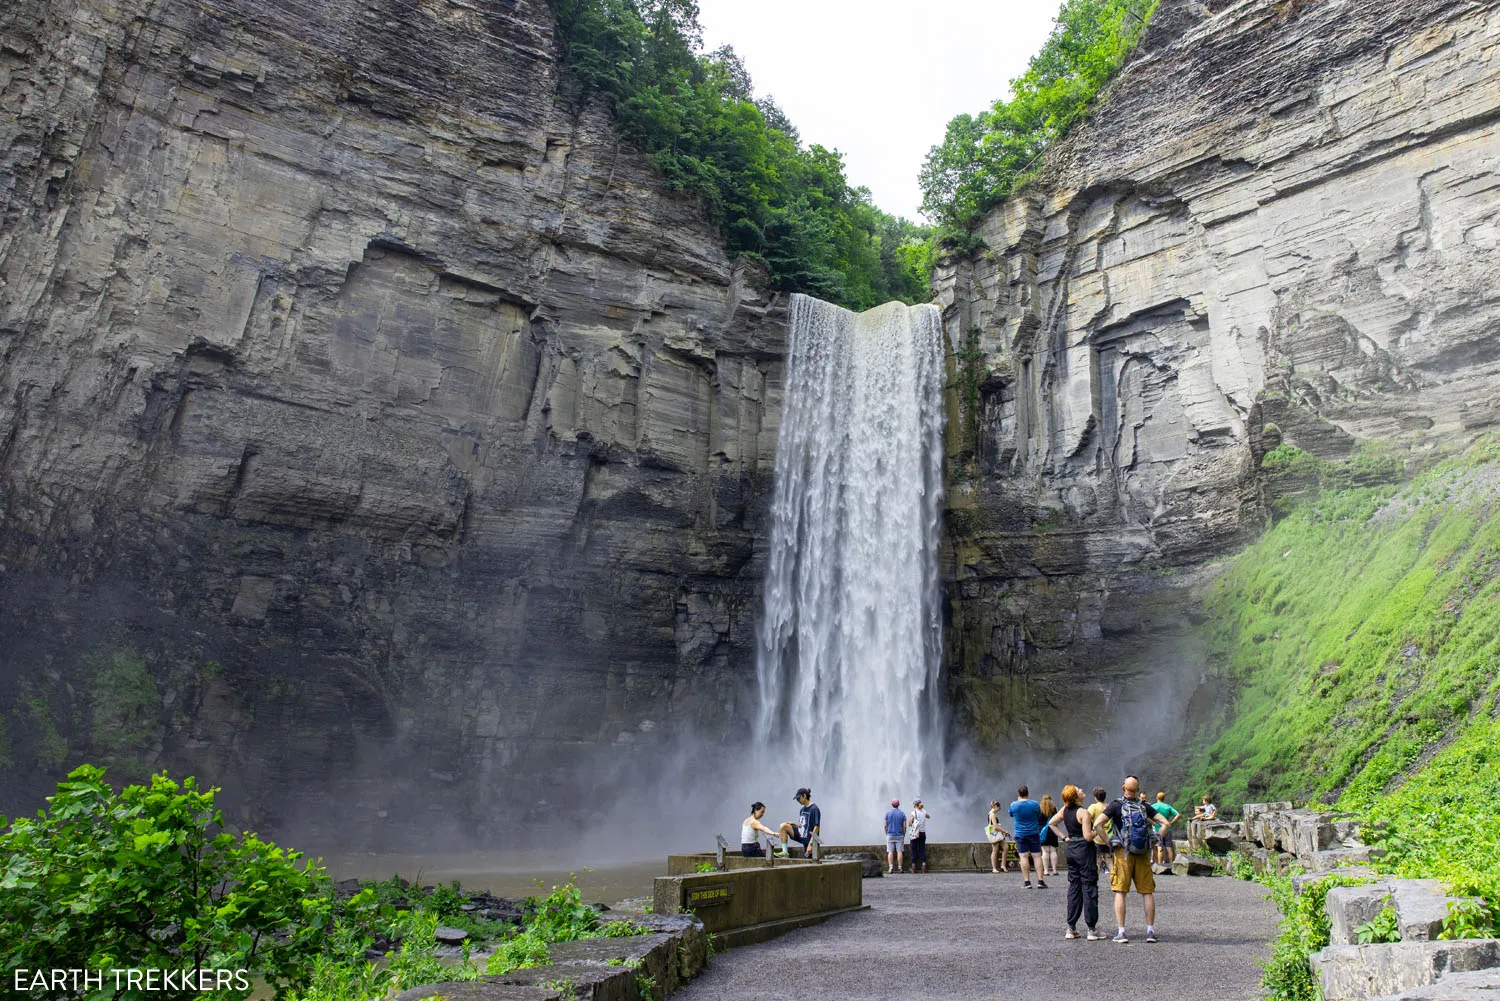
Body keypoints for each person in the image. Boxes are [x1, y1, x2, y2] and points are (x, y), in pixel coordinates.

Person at [1103, 776, 1167, 943]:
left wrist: (1109, 842)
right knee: (1147, 892)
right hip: (1143, 853)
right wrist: (1157, 838)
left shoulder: (1116, 805)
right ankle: (1150, 931)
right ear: (1138, 790)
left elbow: (1097, 823)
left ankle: (1122, 932)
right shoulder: (1145, 806)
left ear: (1124, 787)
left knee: (1120, 892)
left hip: (1122, 853)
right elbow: (1165, 822)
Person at [1048, 784, 1102, 940]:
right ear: (1075, 796)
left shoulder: (1064, 811)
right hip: (1085, 851)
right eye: (1079, 790)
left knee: (1074, 886)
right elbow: (1088, 836)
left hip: (1071, 850)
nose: (1082, 791)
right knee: (1089, 887)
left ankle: (1071, 927)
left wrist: (1064, 838)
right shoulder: (1083, 813)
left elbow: (1051, 823)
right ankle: (1091, 929)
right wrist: (1097, 828)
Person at [1008, 786, 1046, 888]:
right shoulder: (1035, 804)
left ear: (1018, 794)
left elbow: (1011, 814)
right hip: (1033, 832)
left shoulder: (1014, 805)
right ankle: (1040, 881)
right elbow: (1039, 814)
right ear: (1028, 793)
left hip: (1020, 834)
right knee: (1037, 856)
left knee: (1023, 857)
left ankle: (1027, 882)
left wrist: (1018, 801)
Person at [777, 787, 821, 857]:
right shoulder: (802, 810)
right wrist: (795, 825)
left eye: (798, 798)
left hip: (810, 839)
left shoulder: (814, 809)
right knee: (784, 826)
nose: (797, 800)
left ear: (804, 796)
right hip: (803, 836)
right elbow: (805, 826)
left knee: (811, 862)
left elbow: (817, 827)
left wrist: (811, 844)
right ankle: (785, 852)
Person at [1088, 786, 1112, 876]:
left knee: (1097, 861)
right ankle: (1115, 882)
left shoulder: (1093, 807)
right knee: (1109, 859)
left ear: (1095, 797)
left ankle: (1094, 882)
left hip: (1097, 837)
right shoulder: (1109, 806)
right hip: (1108, 837)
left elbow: (1087, 819)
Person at [1154, 792, 1181, 867]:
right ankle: (1171, 864)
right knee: (1169, 847)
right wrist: (1171, 822)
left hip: (1158, 829)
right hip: (1167, 829)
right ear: (1164, 798)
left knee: (1160, 846)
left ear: (1157, 797)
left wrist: (1153, 823)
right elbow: (1178, 815)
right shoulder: (1167, 807)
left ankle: (1160, 865)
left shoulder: (1154, 806)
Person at [987, 801, 1014, 873]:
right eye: (998, 808)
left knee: (1006, 847)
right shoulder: (992, 814)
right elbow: (995, 827)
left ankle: (1003, 865)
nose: (999, 809)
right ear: (995, 806)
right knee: (995, 851)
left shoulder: (992, 814)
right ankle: (994, 868)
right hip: (995, 835)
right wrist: (1005, 831)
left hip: (998, 835)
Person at [884, 798, 908, 873]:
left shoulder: (887, 814)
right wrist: (904, 834)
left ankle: (890, 868)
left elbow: (885, 825)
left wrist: (886, 833)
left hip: (890, 834)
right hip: (899, 835)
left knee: (890, 852)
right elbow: (904, 826)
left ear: (892, 805)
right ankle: (900, 868)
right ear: (898, 805)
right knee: (899, 851)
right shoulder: (902, 814)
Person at [1039, 793, 1060, 877]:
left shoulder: (1039, 809)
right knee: (1053, 851)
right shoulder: (1054, 809)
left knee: (1045, 851)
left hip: (1042, 831)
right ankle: (1054, 870)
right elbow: (1057, 820)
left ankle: (1046, 870)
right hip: (1052, 830)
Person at [909, 799, 931, 873]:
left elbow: (909, 823)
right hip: (922, 833)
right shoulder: (924, 812)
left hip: (915, 832)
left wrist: (912, 823)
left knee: (913, 849)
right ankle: (924, 866)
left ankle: (913, 867)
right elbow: (929, 817)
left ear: (915, 805)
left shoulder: (913, 813)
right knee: (922, 849)